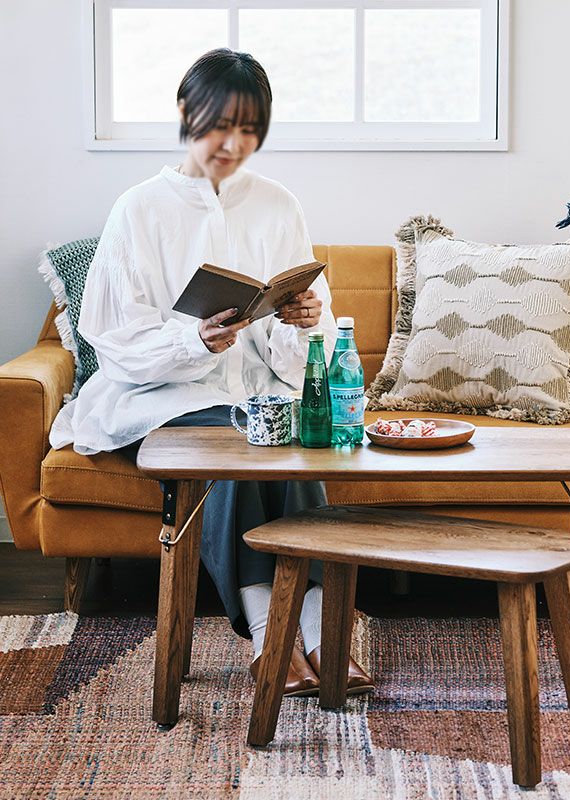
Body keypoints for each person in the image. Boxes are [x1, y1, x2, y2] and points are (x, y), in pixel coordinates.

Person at [49, 48, 373, 696]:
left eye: (250, 129)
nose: (234, 144)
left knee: (288, 439)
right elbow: (112, 337)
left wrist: (301, 318)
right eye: (221, 125)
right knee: (236, 443)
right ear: (185, 112)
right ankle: (271, 636)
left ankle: (320, 631)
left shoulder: (277, 204)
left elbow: (295, 348)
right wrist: (193, 340)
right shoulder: (138, 209)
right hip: (160, 395)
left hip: (255, 392)